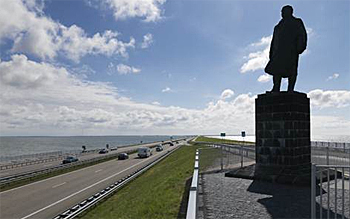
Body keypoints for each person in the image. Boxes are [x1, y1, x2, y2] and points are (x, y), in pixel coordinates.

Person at [265, 5, 307, 92]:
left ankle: (290, 89)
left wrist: (300, 47)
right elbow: (274, 41)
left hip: (291, 50)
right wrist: (271, 53)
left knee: (291, 70)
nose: (282, 13)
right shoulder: (278, 26)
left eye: (283, 11)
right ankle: (276, 88)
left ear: (290, 12)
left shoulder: (296, 22)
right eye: (281, 12)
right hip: (279, 52)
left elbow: (302, 35)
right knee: (276, 70)